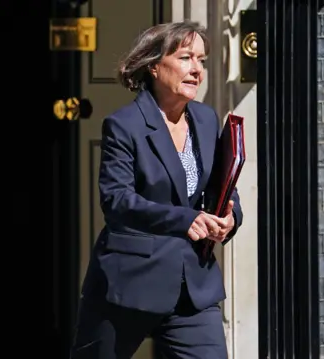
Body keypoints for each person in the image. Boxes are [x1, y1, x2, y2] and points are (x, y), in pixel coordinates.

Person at [69, 20, 243, 359]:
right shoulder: (124, 126)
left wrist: (230, 215)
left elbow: (223, 188)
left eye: (202, 60)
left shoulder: (206, 120)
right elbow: (116, 201)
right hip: (130, 283)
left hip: (193, 285)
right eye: (186, 58)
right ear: (153, 66)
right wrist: (184, 220)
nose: (197, 70)